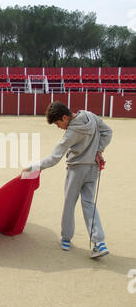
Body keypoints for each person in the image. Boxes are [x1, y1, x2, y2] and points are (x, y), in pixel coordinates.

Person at [21, 101, 113, 258]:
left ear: (65, 117)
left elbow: (54, 158)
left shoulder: (71, 133)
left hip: (76, 169)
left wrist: (33, 167)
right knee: (89, 204)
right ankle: (99, 242)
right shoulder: (89, 115)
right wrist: (99, 150)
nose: (59, 127)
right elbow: (108, 132)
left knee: (70, 202)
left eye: (58, 123)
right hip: (93, 168)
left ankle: (66, 239)